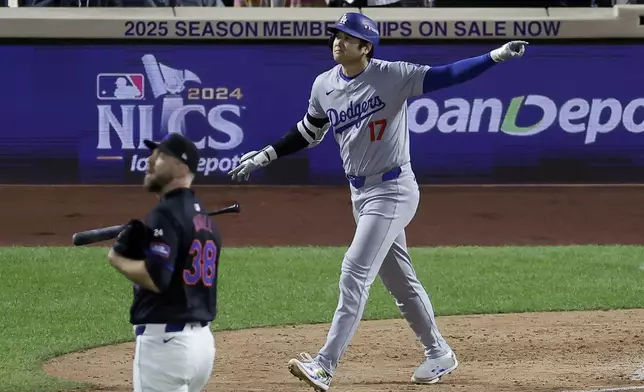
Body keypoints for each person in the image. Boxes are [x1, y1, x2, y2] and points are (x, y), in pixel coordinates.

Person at [227, 12, 527, 392]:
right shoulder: (324, 84)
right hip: (360, 194)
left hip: (394, 189)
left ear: (366, 47)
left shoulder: (392, 75)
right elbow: (308, 131)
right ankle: (439, 352)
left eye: (348, 38)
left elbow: (446, 75)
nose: (338, 42)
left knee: (354, 269)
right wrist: (265, 155)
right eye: (336, 35)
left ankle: (324, 365)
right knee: (400, 282)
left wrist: (495, 56)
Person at [107, 133, 221, 392]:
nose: (149, 161)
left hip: (166, 346)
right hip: (201, 346)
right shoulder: (204, 219)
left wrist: (118, 258)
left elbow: (156, 279)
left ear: (181, 166)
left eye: (159, 156)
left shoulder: (165, 213)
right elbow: (176, 272)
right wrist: (143, 250)